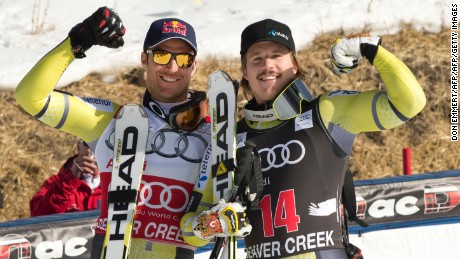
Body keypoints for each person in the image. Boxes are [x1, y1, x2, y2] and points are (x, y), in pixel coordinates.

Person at [15, 6, 249, 259]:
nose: (172, 67)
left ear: (193, 66)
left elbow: (192, 231)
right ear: (144, 59)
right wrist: (78, 41)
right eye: (161, 55)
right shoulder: (112, 122)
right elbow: (31, 98)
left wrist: (211, 224)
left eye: (183, 59)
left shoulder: (215, 137)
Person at [235, 19, 426, 258]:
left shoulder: (327, 112)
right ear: (245, 71)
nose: (268, 65)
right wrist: (210, 222)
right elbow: (199, 222)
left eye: (277, 55)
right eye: (257, 59)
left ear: (294, 64)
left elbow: (410, 103)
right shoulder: (232, 137)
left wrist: (373, 50)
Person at [30, 138, 101, 216]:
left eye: (102, 144)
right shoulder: (55, 183)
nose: (95, 149)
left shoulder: (114, 184)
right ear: (78, 146)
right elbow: (38, 215)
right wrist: (71, 179)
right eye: (89, 144)